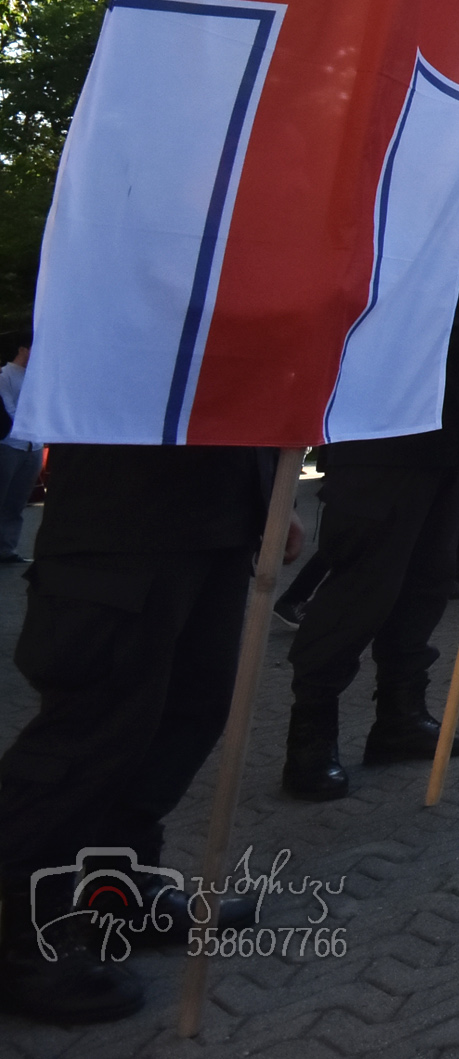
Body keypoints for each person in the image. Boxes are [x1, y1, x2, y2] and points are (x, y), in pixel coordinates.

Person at [0, 442, 290, 1023]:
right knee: (91, 725)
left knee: (191, 709)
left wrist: (267, 497)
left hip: (221, 511)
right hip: (124, 510)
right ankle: (27, 927)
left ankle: (119, 893)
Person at [282, 193, 459, 797]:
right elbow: (423, 343)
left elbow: (447, 383)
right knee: (359, 593)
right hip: (379, 462)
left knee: (424, 590)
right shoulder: (397, 270)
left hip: (430, 463)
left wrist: (455, 457)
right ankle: (311, 736)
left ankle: (400, 718)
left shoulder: (449, 283)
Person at [0, 332, 38, 565]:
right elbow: (8, 408)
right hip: (10, 444)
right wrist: (27, 428)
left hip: (33, 446)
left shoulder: (38, 376)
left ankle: (7, 549)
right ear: (22, 349)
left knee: (17, 502)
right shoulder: (5, 375)